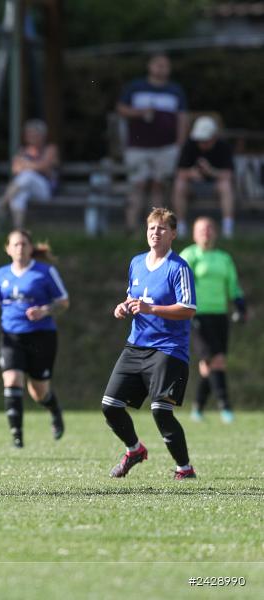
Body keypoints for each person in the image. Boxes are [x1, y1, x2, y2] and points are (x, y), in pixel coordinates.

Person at [102, 207, 197, 480]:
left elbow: (188, 308)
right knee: (109, 405)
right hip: (136, 346)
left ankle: (185, 469)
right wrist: (124, 307)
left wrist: (150, 309)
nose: (156, 233)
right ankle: (134, 450)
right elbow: (134, 299)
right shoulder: (136, 263)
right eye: (152, 228)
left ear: (174, 234)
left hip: (169, 349)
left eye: (162, 228)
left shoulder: (178, 268)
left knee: (160, 411)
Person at [0, 230, 69, 448]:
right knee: (11, 380)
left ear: (30, 248)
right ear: (8, 249)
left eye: (24, 244)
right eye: (15, 245)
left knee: (38, 391)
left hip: (42, 337)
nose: (20, 248)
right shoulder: (1, 274)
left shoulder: (45, 272)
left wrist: (45, 310)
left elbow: (63, 301)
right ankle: (17, 436)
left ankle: (54, 409)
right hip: (11, 336)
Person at [179, 217, 245, 423]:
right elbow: (178, 284)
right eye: (201, 229)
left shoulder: (223, 258)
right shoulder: (189, 256)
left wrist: (241, 306)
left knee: (210, 365)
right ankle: (225, 407)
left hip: (220, 315)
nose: (205, 233)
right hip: (196, 315)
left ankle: (197, 408)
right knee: (215, 360)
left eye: (209, 229)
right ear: (194, 234)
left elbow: (233, 285)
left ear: (214, 233)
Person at [117, 54, 188, 234]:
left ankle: (154, 229)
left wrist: (180, 142)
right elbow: (121, 109)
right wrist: (140, 113)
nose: (161, 69)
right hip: (138, 147)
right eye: (158, 65)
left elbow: (182, 117)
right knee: (137, 185)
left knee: (159, 186)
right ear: (150, 66)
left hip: (166, 147)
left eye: (165, 65)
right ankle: (130, 227)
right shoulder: (135, 87)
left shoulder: (175, 90)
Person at [0, 120, 59, 229]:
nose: (30, 136)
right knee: (19, 195)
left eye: (34, 133)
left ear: (42, 135)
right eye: (28, 133)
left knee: (27, 175)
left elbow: (44, 166)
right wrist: (34, 165)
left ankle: (2, 203)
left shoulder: (50, 149)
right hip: (26, 187)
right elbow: (15, 169)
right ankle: (18, 230)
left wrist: (26, 164)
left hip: (45, 190)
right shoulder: (22, 150)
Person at [173, 117, 235, 239]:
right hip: (193, 186)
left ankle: (228, 228)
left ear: (214, 137)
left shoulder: (223, 147)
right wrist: (192, 173)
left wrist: (211, 172)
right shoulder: (189, 145)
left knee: (226, 186)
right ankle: (180, 227)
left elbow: (229, 174)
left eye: (205, 140)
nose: (201, 143)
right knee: (179, 185)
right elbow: (179, 172)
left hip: (214, 185)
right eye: (199, 140)